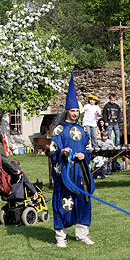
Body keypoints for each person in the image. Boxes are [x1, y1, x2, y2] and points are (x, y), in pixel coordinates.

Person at [50, 73, 96, 247]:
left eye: (77, 111)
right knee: (63, 203)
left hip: (81, 173)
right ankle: (60, 237)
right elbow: (53, 149)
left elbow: (89, 147)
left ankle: (82, 233)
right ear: (67, 111)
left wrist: (84, 154)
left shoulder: (83, 129)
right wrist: (62, 152)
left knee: (83, 202)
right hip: (66, 174)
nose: (75, 114)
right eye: (72, 110)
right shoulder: (59, 130)